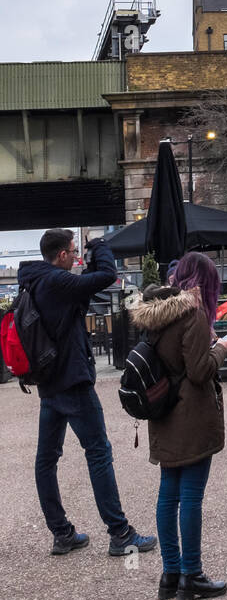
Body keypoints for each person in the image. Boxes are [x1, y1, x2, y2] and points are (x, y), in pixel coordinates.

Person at [20, 229, 156, 558]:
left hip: (50, 383)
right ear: (62, 255)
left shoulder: (34, 281)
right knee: (98, 453)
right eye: (72, 250)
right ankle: (120, 533)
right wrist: (99, 244)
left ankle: (62, 533)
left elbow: (88, 287)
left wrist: (93, 257)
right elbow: (107, 275)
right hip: (72, 381)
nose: (76, 255)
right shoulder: (57, 282)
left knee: (46, 460)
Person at [129, 255, 227, 600]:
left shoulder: (156, 311)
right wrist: (219, 349)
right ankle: (192, 574)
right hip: (191, 414)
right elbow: (199, 371)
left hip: (163, 413)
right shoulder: (194, 313)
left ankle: (170, 573)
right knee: (190, 497)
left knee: (167, 495)